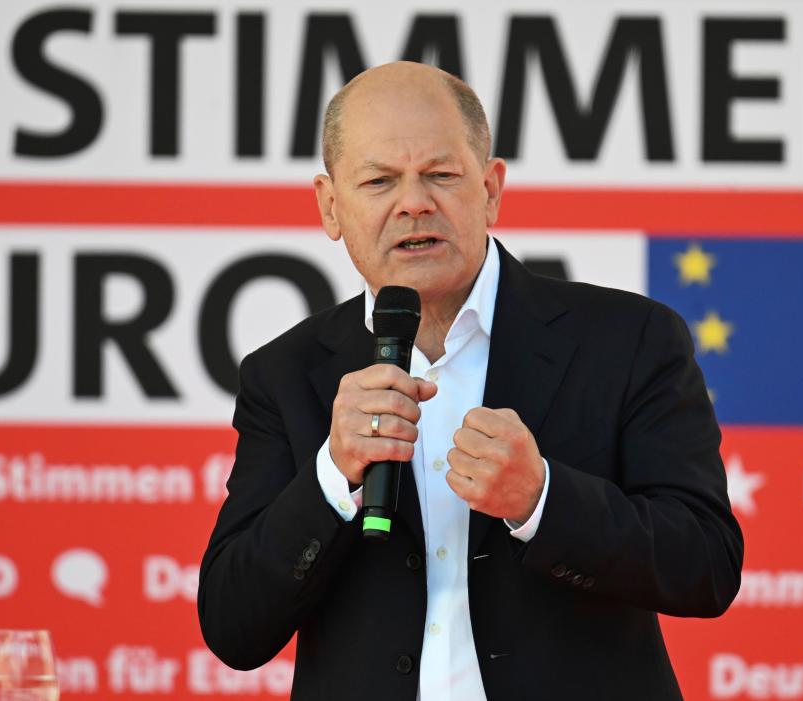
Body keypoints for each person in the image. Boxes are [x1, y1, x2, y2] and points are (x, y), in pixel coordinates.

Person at [198, 61, 743, 700]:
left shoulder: (628, 339)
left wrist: (542, 500)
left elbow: (706, 565)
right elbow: (233, 627)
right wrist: (329, 475)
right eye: (379, 181)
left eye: (441, 174)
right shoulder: (285, 373)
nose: (414, 202)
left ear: (490, 188)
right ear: (330, 205)